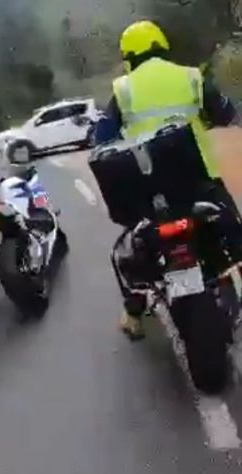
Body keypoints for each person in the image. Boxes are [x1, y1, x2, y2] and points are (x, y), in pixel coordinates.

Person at [93, 20, 242, 340]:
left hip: (147, 188)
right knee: (233, 230)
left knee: (133, 243)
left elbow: (101, 139)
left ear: (129, 56)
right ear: (162, 46)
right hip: (197, 178)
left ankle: (133, 313)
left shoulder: (123, 90)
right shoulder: (191, 77)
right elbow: (228, 115)